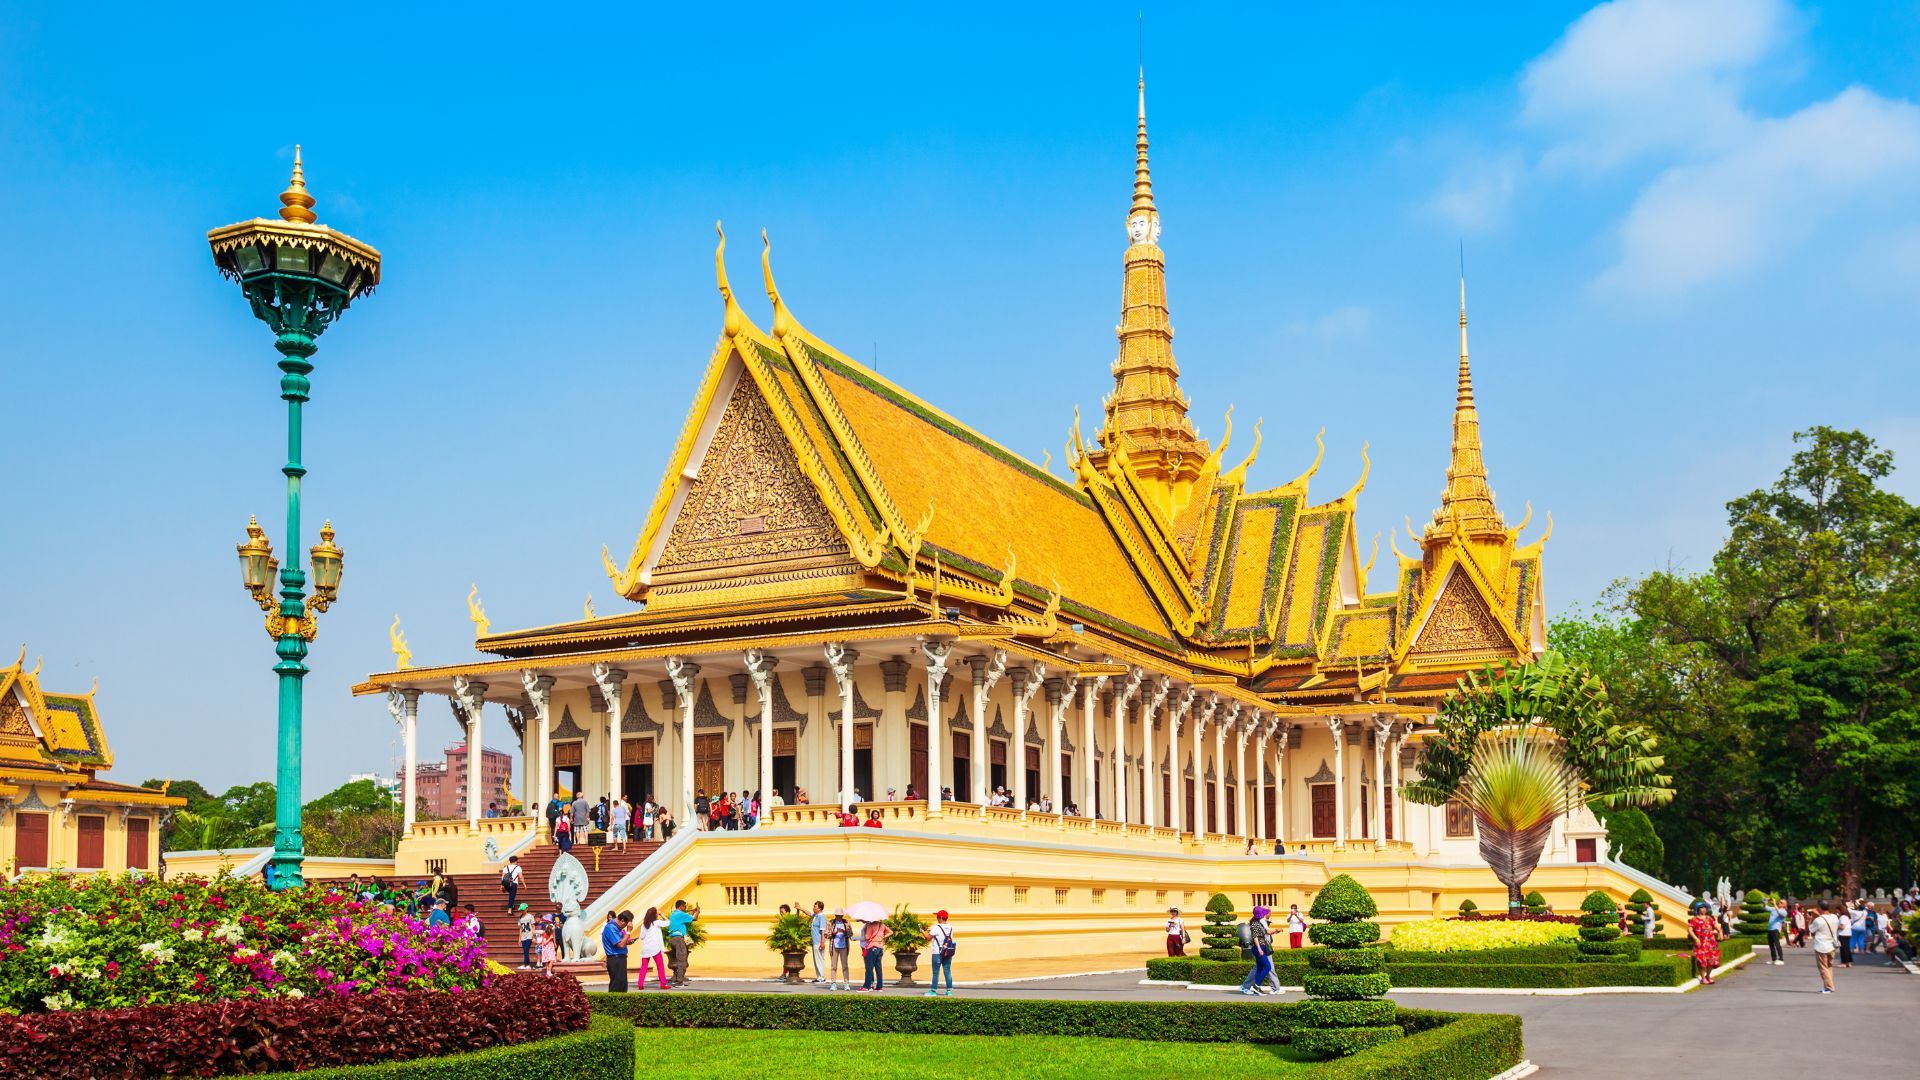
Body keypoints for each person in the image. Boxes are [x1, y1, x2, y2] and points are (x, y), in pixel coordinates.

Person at [1238, 906, 1275, 995]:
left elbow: (1265, 933)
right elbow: (1255, 937)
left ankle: (1256, 988)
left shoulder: (1259, 922)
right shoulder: (1255, 923)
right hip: (1259, 948)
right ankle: (1256, 986)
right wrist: (1259, 949)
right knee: (1267, 967)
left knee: (1259, 968)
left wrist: (1276, 931)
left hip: (1262, 946)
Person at [1809, 900, 1840, 993]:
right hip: (1832, 945)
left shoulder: (1818, 920)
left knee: (1823, 967)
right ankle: (1828, 986)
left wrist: (1812, 917)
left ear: (1819, 908)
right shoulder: (1835, 917)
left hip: (1821, 946)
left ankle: (1829, 987)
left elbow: (1811, 929)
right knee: (1829, 967)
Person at [667, 899, 700, 986]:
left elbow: (687, 917)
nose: (685, 908)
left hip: (672, 939)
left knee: (678, 960)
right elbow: (694, 918)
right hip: (679, 939)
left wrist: (693, 911)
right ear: (681, 906)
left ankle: (677, 979)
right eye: (685, 906)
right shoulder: (681, 914)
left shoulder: (673, 914)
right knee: (682, 961)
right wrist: (698, 912)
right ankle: (679, 982)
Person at [1687, 902, 1721, 986]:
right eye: (1702, 908)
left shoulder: (1709, 918)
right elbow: (1689, 930)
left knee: (1711, 960)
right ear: (1698, 909)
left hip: (1711, 943)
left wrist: (1720, 932)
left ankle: (1708, 976)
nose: (1704, 909)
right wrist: (1695, 939)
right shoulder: (1694, 919)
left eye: (1705, 907)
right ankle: (1702, 978)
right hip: (1700, 943)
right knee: (1702, 961)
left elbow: (1715, 926)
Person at [637, 907, 670, 989]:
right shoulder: (657, 923)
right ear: (654, 915)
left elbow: (641, 937)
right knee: (660, 966)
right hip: (655, 948)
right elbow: (668, 922)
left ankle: (640, 984)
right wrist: (661, 914)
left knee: (644, 967)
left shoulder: (644, 925)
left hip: (646, 948)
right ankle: (663, 984)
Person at [859, 913, 892, 992]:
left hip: (871, 947)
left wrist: (866, 929)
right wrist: (883, 937)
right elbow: (890, 932)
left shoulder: (870, 925)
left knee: (869, 967)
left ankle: (866, 986)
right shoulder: (882, 925)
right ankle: (879, 987)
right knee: (878, 968)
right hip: (880, 947)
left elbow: (867, 937)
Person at [927, 910, 956, 997]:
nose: (937, 919)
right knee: (947, 971)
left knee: (936, 972)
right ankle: (949, 991)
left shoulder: (936, 927)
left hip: (937, 952)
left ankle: (933, 991)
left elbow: (928, 938)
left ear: (940, 918)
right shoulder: (950, 927)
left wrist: (922, 931)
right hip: (948, 952)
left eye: (937, 917)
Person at [602, 910, 632, 992]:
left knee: (622, 985)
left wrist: (628, 941)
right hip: (615, 959)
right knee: (616, 985)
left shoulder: (616, 928)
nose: (625, 927)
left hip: (620, 958)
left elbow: (621, 941)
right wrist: (628, 932)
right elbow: (620, 945)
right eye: (625, 925)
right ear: (622, 920)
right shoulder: (611, 927)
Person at [829, 909, 853, 990]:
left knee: (845, 965)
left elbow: (850, 934)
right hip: (834, 946)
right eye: (837, 915)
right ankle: (833, 983)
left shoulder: (846, 922)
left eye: (840, 915)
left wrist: (845, 931)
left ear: (842, 916)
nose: (838, 917)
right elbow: (826, 934)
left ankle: (846, 983)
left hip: (844, 946)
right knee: (833, 966)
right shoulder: (831, 922)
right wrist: (833, 933)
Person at [810, 901, 828, 983]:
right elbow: (808, 913)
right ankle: (818, 976)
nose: (813, 908)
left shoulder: (822, 917)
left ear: (820, 908)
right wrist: (800, 908)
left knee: (820, 959)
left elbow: (823, 930)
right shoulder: (815, 916)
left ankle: (821, 977)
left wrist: (822, 942)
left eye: (815, 907)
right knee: (816, 960)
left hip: (819, 941)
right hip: (815, 941)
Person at [1766, 898, 1787, 964]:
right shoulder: (1774, 909)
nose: (1779, 903)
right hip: (1770, 929)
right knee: (1771, 945)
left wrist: (1775, 903)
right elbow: (1765, 907)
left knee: (1777, 944)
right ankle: (1774, 959)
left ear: (1784, 905)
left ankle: (1781, 959)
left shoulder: (1784, 911)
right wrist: (1765, 902)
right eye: (1779, 902)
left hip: (1776, 929)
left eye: (1781, 902)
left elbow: (1780, 912)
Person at [517, 903, 535, 968]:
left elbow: (533, 926)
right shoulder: (520, 917)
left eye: (523, 910)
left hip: (529, 936)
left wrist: (533, 936)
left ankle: (525, 964)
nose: (522, 911)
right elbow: (520, 929)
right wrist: (519, 938)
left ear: (527, 909)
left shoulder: (530, 916)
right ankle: (527, 964)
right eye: (521, 910)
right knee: (525, 950)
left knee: (526, 949)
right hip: (523, 936)